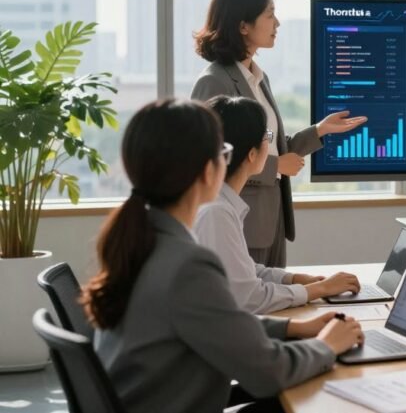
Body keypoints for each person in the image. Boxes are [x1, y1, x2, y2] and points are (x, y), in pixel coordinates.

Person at [82, 99, 364, 413]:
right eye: (223, 152)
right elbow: (267, 372)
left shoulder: (144, 240)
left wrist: (292, 329)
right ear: (207, 171)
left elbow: (222, 324)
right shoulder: (186, 265)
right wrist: (326, 345)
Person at [191, 0, 368, 268]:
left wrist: (319, 130)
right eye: (270, 15)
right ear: (243, 25)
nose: (278, 23)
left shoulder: (259, 78)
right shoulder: (213, 82)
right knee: (253, 305)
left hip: (272, 222)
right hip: (241, 225)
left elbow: (272, 148)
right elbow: (208, 162)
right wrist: (276, 168)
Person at [194, 95, 362, 313]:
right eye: (267, 137)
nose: (271, 144)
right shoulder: (216, 212)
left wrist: (298, 279)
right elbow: (250, 298)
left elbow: (244, 271)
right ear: (252, 155)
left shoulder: (221, 204)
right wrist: (320, 289)